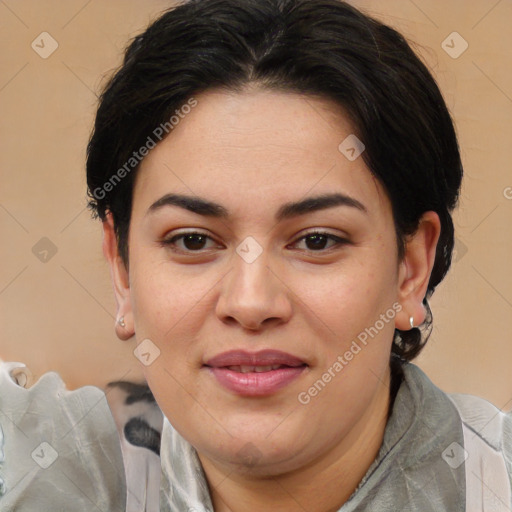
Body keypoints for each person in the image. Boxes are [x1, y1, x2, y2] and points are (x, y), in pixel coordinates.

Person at [1, 0, 511, 511]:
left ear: (411, 268)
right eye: (193, 241)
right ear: (122, 269)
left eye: (317, 240)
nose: (251, 303)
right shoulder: (33, 469)